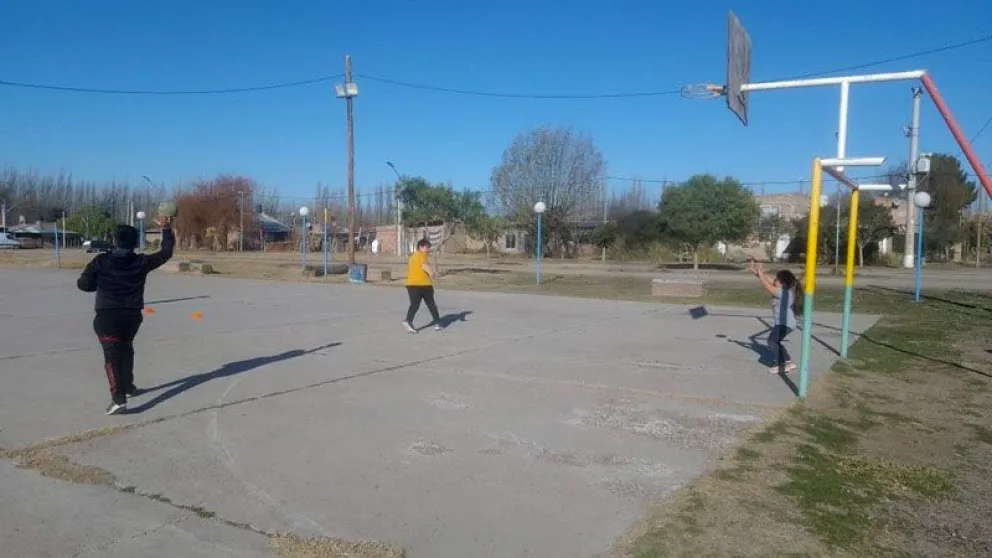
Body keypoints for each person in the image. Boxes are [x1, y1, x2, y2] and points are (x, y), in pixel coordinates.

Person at [77, 215, 175, 415]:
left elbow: (84, 284)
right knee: (126, 348)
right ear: (134, 243)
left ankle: (118, 398)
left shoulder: (101, 261)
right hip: (132, 317)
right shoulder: (141, 262)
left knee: (112, 357)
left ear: (115, 241)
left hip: (107, 318)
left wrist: (98, 283)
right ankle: (128, 386)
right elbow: (166, 252)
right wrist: (166, 229)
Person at [747, 259, 802, 374]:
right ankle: (786, 362)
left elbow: (767, 285)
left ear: (783, 283)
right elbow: (768, 280)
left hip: (785, 323)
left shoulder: (783, 293)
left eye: (777, 279)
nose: (774, 280)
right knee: (774, 341)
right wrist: (757, 272)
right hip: (785, 323)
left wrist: (760, 272)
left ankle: (785, 363)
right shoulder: (782, 289)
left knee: (772, 341)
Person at [402, 238, 443, 334]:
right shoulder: (422, 255)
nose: (428, 249)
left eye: (429, 247)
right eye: (427, 247)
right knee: (431, 304)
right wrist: (432, 273)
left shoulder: (412, 257)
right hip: (424, 284)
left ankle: (408, 321)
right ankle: (437, 323)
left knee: (414, 304)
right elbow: (425, 266)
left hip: (411, 284)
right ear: (420, 246)